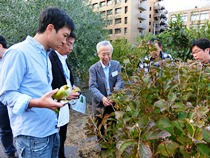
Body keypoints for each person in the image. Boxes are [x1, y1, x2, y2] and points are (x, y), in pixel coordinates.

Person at [0, 7, 74, 158]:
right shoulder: (19, 53)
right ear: (50, 28)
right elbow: (6, 94)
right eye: (64, 35)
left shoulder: (45, 55)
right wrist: (39, 103)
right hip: (32, 137)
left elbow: (39, 91)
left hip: (51, 130)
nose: (65, 41)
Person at [49, 32, 80, 158]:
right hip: (53, 109)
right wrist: (65, 95)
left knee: (62, 138)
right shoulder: (50, 58)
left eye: (72, 44)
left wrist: (72, 87)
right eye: (69, 44)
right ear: (61, 42)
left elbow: (66, 80)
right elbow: (47, 87)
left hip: (63, 108)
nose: (71, 48)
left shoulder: (64, 60)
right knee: (54, 141)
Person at [89, 40, 124, 137]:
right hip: (100, 104)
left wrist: (114, 95)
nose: (106, 57)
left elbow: (120, 81)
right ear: (98, 54)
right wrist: (102, 98)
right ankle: (103, 148)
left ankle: (112, 146)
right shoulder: (94, 69)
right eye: (103, 54)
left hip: (113, 102)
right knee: (100, 129)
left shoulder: (116, 65)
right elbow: (92, 87)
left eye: (108, 54)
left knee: (113, 125)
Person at [0, 35, 17, 158]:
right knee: (5, 128)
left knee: (21, 124)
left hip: (17, 97)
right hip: (1, 101)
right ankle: (10, 152)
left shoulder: (15, 56)